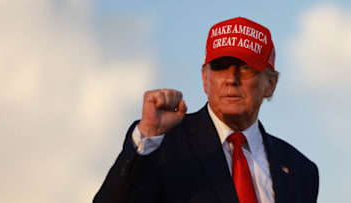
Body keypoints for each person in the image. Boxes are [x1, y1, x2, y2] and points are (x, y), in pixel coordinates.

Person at [93, 17, 319, 203]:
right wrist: (148, 136)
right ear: (205, 79)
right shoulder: (160, 144)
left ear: (270, 84)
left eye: (245, 67)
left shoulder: (300, 170)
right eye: (220, 67)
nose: (231, 79)